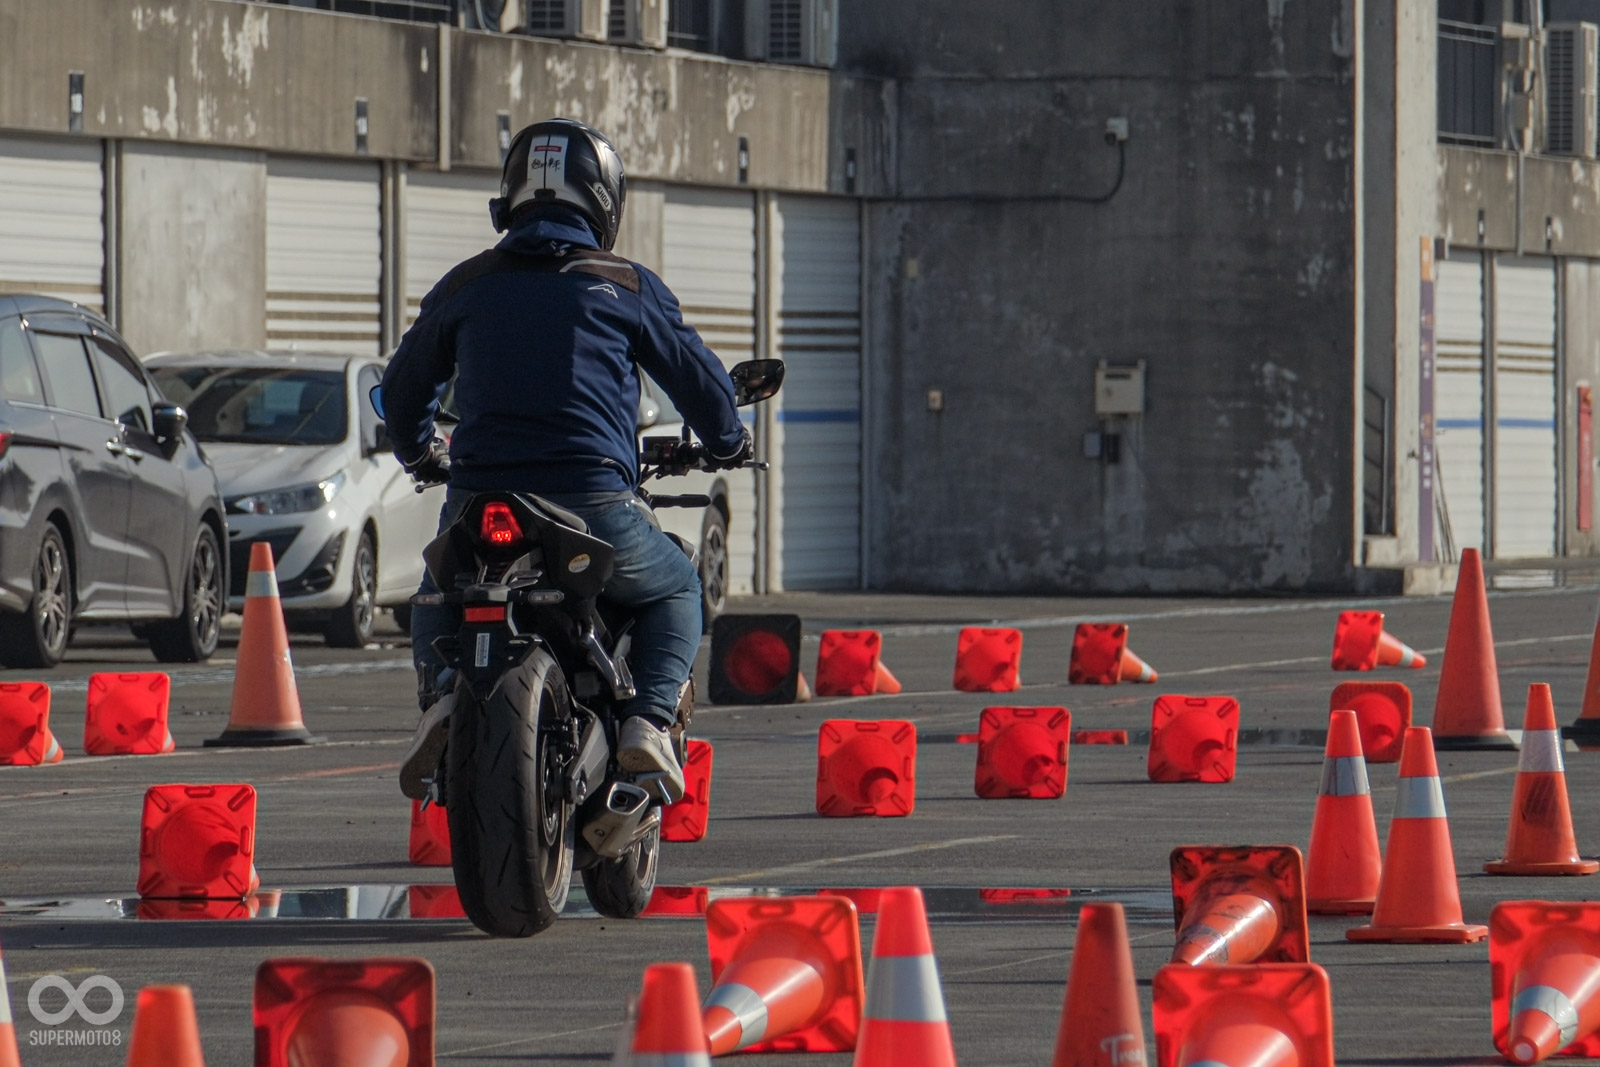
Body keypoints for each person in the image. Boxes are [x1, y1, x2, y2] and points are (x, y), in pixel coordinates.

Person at [382, 118, 752, 801]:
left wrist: (417, 449)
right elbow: (702, 385)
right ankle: (646, 718)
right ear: (603, 201)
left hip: (480, 496)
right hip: (593, 502)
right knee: (677, 587)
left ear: (511, 195)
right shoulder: (624, 284)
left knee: (442, 578)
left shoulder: (466, 284)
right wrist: (730, 440)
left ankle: (440, 697)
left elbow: (403, 392)